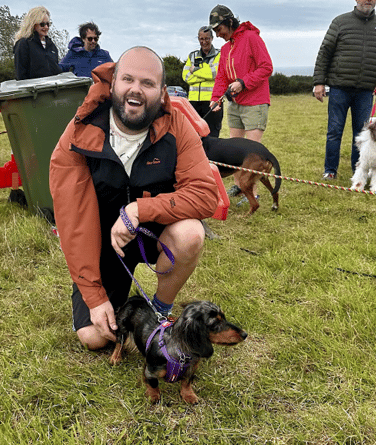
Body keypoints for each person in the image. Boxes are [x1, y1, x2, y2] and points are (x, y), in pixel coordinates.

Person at [49, 46, 219, 350]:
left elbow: (206, 196)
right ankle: (113, 298)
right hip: (102, 240)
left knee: (190, 233)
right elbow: (73, 223)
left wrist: (139, 209)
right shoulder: (78, 133)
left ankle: (160, 310)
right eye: (128, 79)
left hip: (155, 231)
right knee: (94, 338)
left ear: (163, 91)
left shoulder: (178, 125)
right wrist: (95, 296)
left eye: (148, 83)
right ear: (113, 83)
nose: (136, 90)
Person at [313, 0, 376, 180]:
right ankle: (330, 171)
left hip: (366, 91)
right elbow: (325, 52)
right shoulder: (340, 22)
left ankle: (358, 170)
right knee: (334, 131)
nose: (368, 0)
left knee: (362, 134)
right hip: (339, 87)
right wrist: (319, 82)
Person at [208, 4, 273, 198]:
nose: (217, 34)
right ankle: (239, 186)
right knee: (235, 152)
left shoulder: (252, 38)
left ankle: (253, 193)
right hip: (235, 104)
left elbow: (266, 67)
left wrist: (243, 83)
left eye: (219, 29)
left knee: (251, 153)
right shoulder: (226, 48)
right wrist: (215, 98)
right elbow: (221, 77)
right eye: (215, 31)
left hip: (255, 102)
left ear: (229, 22)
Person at [182, 26, 223, 138]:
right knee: (192, 136)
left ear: (212, 38)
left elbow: (215, 73)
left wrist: (195, 70)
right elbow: (186, 77)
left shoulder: (220, 54)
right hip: (193, 102)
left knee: (212, 137)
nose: (204, 42)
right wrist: (206, 74)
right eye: (201, 39)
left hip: (212, 102)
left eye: (207, 38)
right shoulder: (192, 55)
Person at [13, 6, 62, 80]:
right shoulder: (23, 44)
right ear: (33, 24)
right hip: (34, 89)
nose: (46, 27)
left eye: (48, 24)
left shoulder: (51, 46)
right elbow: (20, 74)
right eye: (42, 24)